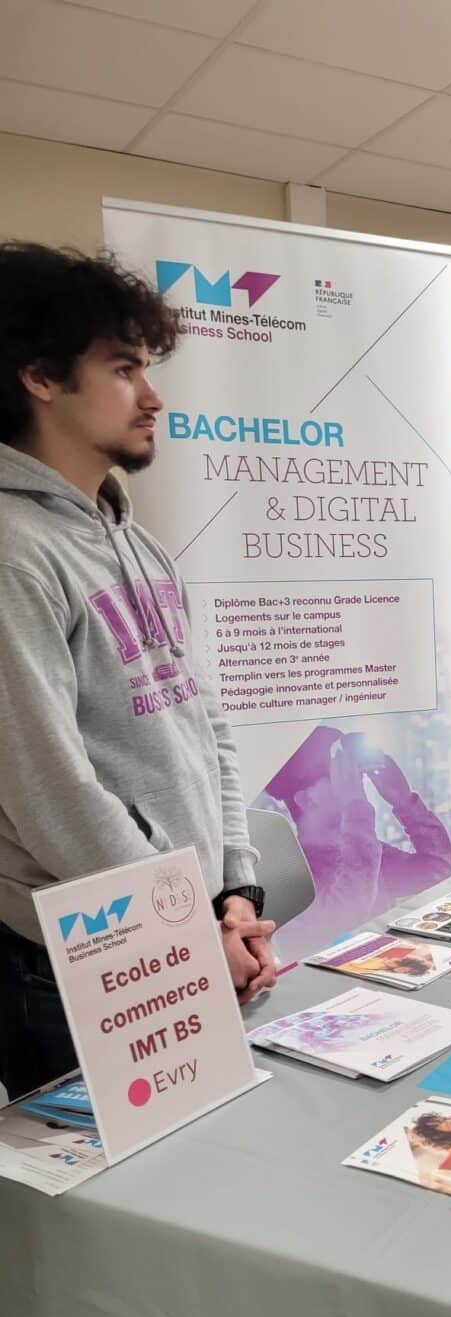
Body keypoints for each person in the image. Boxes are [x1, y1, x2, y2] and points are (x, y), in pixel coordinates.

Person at [0, 243, 277, 1109]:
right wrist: (189, 931)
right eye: (124, 369)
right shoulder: (13, 550)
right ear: (41, 376)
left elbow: (206, 728)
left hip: (176, 934)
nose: (154, 397)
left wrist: (234, 892)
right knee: (108, 1224)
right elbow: (52, 794)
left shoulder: (136, 537)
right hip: (73, 961)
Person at [261, 727, 451, 957]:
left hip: (385, 973)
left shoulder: (359, 849)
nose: (352, 781)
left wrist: (403, 799)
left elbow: (440, 875)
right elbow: (347, 915)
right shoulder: (290, 874)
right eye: (336, 775)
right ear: (306, 798)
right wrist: (355, 806)